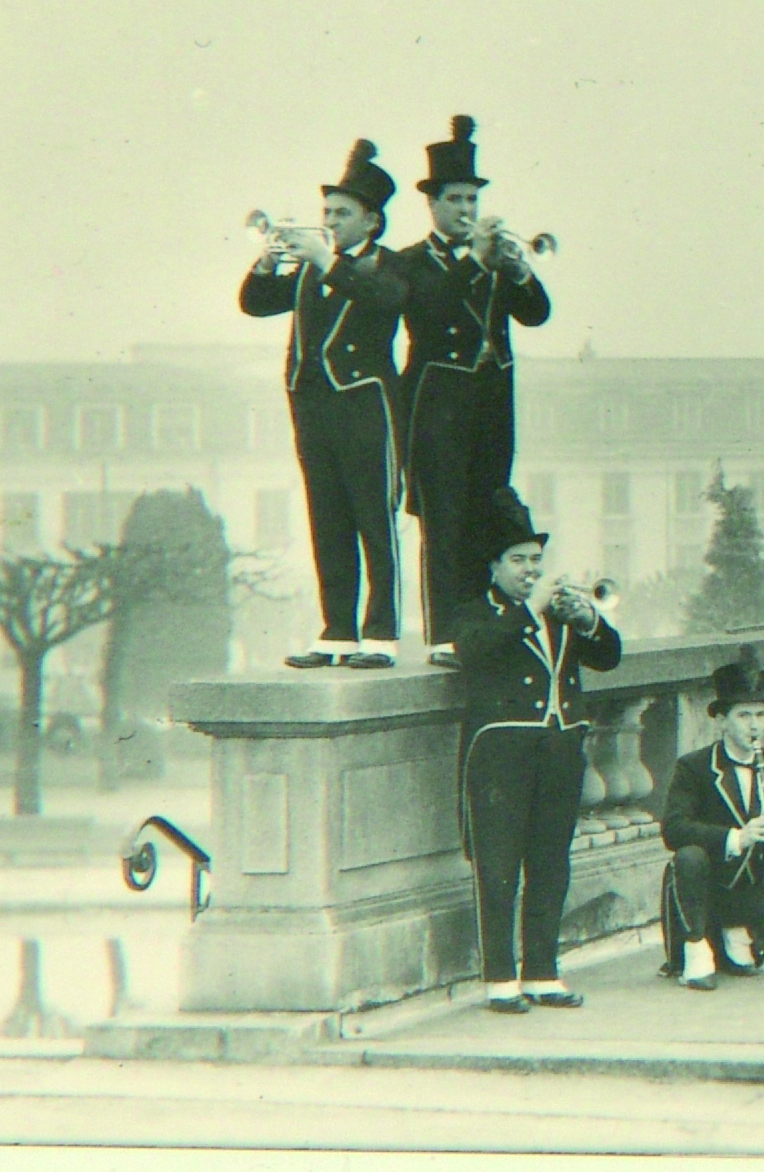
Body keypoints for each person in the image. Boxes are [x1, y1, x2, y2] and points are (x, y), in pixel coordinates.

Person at [239, 138, 411, 669]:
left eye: (342, 213)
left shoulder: (389, 265)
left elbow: (387, 300)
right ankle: (337, 630)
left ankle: (381, 634)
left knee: (374, 521)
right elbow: (255, 304)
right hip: (313, 408)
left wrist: (329, 262)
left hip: (366, 406)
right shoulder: (313, 269)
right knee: (327, 518)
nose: (330, 222)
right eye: (327, 212)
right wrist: (267, 263)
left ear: (371, 222)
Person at [453, 493, 621, 1012]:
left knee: (552, 862)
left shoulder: (556, 613)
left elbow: (609, 658)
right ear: (495, 567)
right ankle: (500, 979)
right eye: (518, 561)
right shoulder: (477, 612)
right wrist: (532, 608)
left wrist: (589, 619)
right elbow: (475, 652)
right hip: (501, 750)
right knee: (498, 863)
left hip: (561, 745)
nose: (529, 570)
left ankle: (543, 972)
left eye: (535, 561)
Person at [399, 116, 553, 667]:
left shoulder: (491, 260)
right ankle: (443, 634)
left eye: (472, 198)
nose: (467, 210)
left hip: (492, 407)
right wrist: (476, 263)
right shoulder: (411, 263)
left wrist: (517, 272)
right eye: (457, 199)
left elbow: (536, 315)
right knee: (442, 521)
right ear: (433, 205)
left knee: (486, 516)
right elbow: (430, 309)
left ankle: (476, 628)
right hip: (436, 408)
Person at [659, 655, 764, 991]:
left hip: (747, 891)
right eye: (744, 715)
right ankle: (696, 948)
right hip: (703, 890)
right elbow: (673, 829)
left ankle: (742, 937)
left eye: (761, 715)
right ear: (721, 719)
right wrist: (737, 837)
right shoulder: (694, 766)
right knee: (689, 856)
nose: (755, 725)